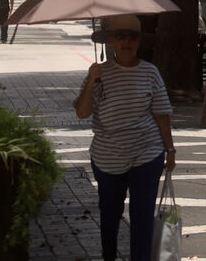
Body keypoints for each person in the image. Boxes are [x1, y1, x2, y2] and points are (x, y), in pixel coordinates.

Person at [74, 15, 175, 261]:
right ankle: (109, 256)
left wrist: (170, 149)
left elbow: (161, 114)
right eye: (121, 37)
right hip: (107, 157)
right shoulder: (99, 74)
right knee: (110, 214)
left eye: (132, 38)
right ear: (111, 41)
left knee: (142, 215)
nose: (126, 43)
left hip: (146, 153)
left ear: (139, 42)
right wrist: (90, 82)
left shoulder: (150, 72)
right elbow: (82, 113)